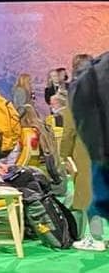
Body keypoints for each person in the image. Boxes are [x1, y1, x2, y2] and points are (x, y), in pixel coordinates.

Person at [62, 54, 106, 251]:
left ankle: (95, 239)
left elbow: (69, 131)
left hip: (87, 152)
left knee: (89, 196)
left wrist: (63, 155)